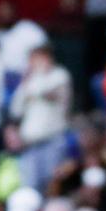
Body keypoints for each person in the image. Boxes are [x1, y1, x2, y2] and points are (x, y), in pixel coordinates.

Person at [9, 45, 73, 193]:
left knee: (50, 186)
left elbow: (44, 91)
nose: (34, 62)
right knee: (28, 188)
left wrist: (32, 81)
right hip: (29, 144)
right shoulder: (29, 81)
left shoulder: (60, 75)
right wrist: (26, 84)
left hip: (52, 140)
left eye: (38, 57)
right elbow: (16, 108)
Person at [0, 0, 49, 91]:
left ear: (14, 12)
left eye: (6, 10)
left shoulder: (28, 28)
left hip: (30, 78)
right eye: (1, 11)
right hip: (4, 82)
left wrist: (29, 75)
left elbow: (44, 55)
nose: (3, 14)